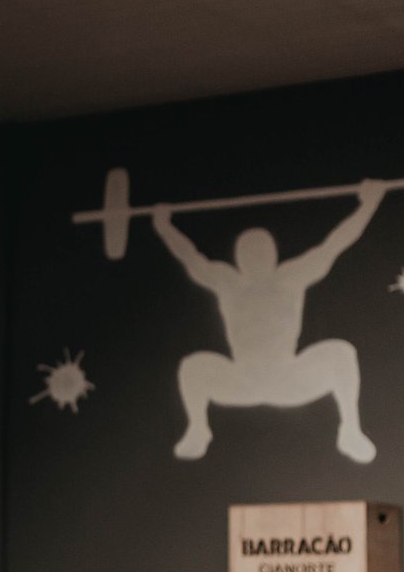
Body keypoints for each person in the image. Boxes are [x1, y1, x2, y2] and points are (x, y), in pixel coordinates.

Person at [153, 179, 384, 463]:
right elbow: (190, 257)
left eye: (262, 251)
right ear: (239, 257)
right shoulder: (228, 282)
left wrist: (369, 205)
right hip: (242, 380)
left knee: (342, 353)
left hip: (287, 377)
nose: (255, 257)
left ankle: (350, 429)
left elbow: (335, 244)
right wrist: (164, 226)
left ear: (272, 254)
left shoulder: (290, 278)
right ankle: (198, 429)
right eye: (249, 252)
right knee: (193, 367)